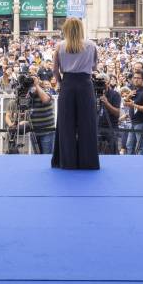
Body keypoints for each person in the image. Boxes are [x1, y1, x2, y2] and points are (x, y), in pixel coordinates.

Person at [51, 17, 99, 170]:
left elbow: (54, 70)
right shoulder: (91, 45)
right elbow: (94, 66)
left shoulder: (60, 46)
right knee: (87, 123)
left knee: (66, 124)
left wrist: (60, 81)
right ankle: (88, 161)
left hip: (68, 84)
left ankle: (67, 161)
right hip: (85, 84)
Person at [5, 75, 55, 154]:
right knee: (37, 156)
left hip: (47, 131)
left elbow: (45, 100)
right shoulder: (28, 96)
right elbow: (27, 111)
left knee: (47, 156)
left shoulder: (46, 92)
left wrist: (36, 85)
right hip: (34, 131)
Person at [124, 70, 143, 155]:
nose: (135, 80)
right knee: (129, 145)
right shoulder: (134, 90)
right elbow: (125, 103)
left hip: (141, 122)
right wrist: (128, 96)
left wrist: (134, 105)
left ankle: (141, 166)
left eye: (138, 78)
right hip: (133, 122)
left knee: (140, 147)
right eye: (134, 78)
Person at [96, 74, 121, 154]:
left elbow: (117, 113)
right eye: (97, 81)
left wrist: (106, 103)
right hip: (98, 127)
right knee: (96, 153)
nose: (100, 83)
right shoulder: (93, 94)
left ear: (108, 82)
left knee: (111, 153)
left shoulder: (115, 94)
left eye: (102, 81)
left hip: (111, 128)